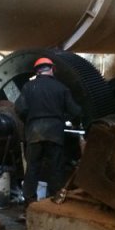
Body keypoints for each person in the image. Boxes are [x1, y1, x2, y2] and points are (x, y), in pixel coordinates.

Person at [15, 57, 82, 206]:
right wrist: (66, 119)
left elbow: (20, 109)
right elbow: (76, 111)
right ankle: (54, 201)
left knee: (32, 168)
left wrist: (30, 121)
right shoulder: (61, 88)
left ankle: (29, 203)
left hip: (34, 132)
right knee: (56, 168)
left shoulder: (28, 87)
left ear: (37, 71)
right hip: (55, 133)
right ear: (52, 69)